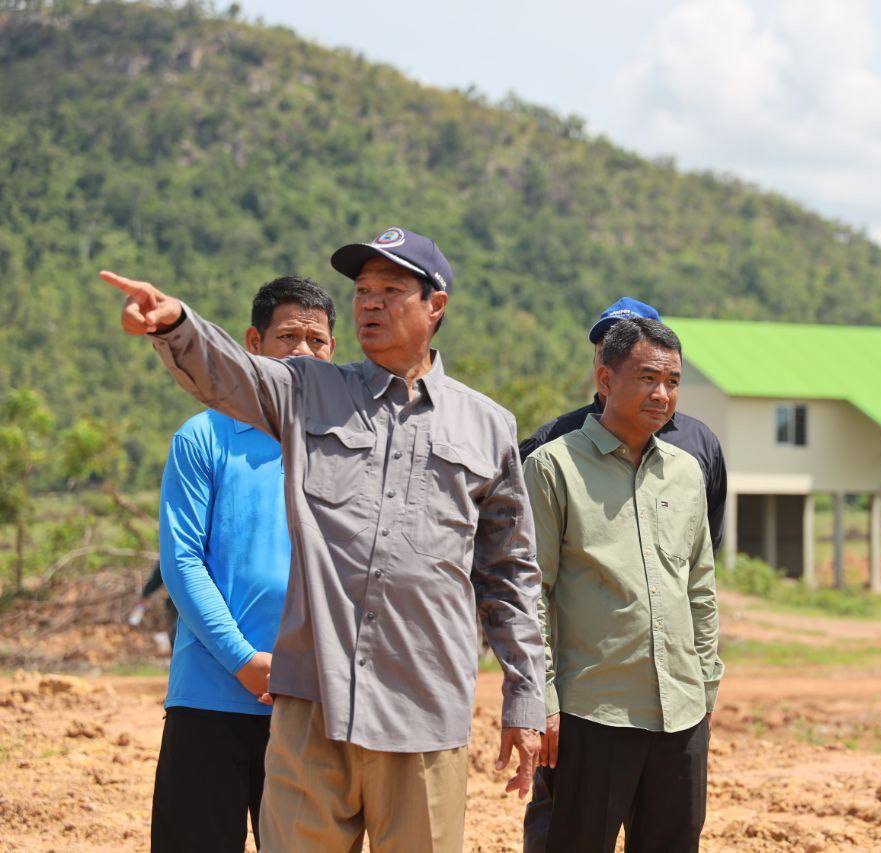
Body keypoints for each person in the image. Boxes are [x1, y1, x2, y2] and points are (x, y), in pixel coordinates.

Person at [98, 225, 544, 853]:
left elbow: (509, 576)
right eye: (362, 291)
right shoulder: (308, 390)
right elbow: (227, 374)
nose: (370, 304)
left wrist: (526, 697)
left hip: (422, 714)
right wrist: (175, 325)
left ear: (436, 306)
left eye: (390, 291)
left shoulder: (488, 426)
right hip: (312, 710)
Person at [519, 298, 728, 851]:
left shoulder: (687, 472)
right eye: (648, 378)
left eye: (673, 382)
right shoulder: (552, 465)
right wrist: (543, 699)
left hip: (681, 712)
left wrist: (706, 684)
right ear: (606, 379)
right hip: (592, 712)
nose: (662, 394)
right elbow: (531, 593)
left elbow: (700, 588)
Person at [150, 276, 337, 852]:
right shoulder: (203, 437)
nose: (303, 352)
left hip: (313, 703)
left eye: (317, 340)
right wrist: (243, 660)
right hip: (209, 696)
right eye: (288, 337)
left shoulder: (343, 445)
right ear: (253, 344)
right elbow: (182, 561)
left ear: (334, 352)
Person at [518, 297, 727, 552]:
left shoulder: (699, 444)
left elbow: (705, 546)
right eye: (605, 349)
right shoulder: (551, 444)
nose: (610, 358)